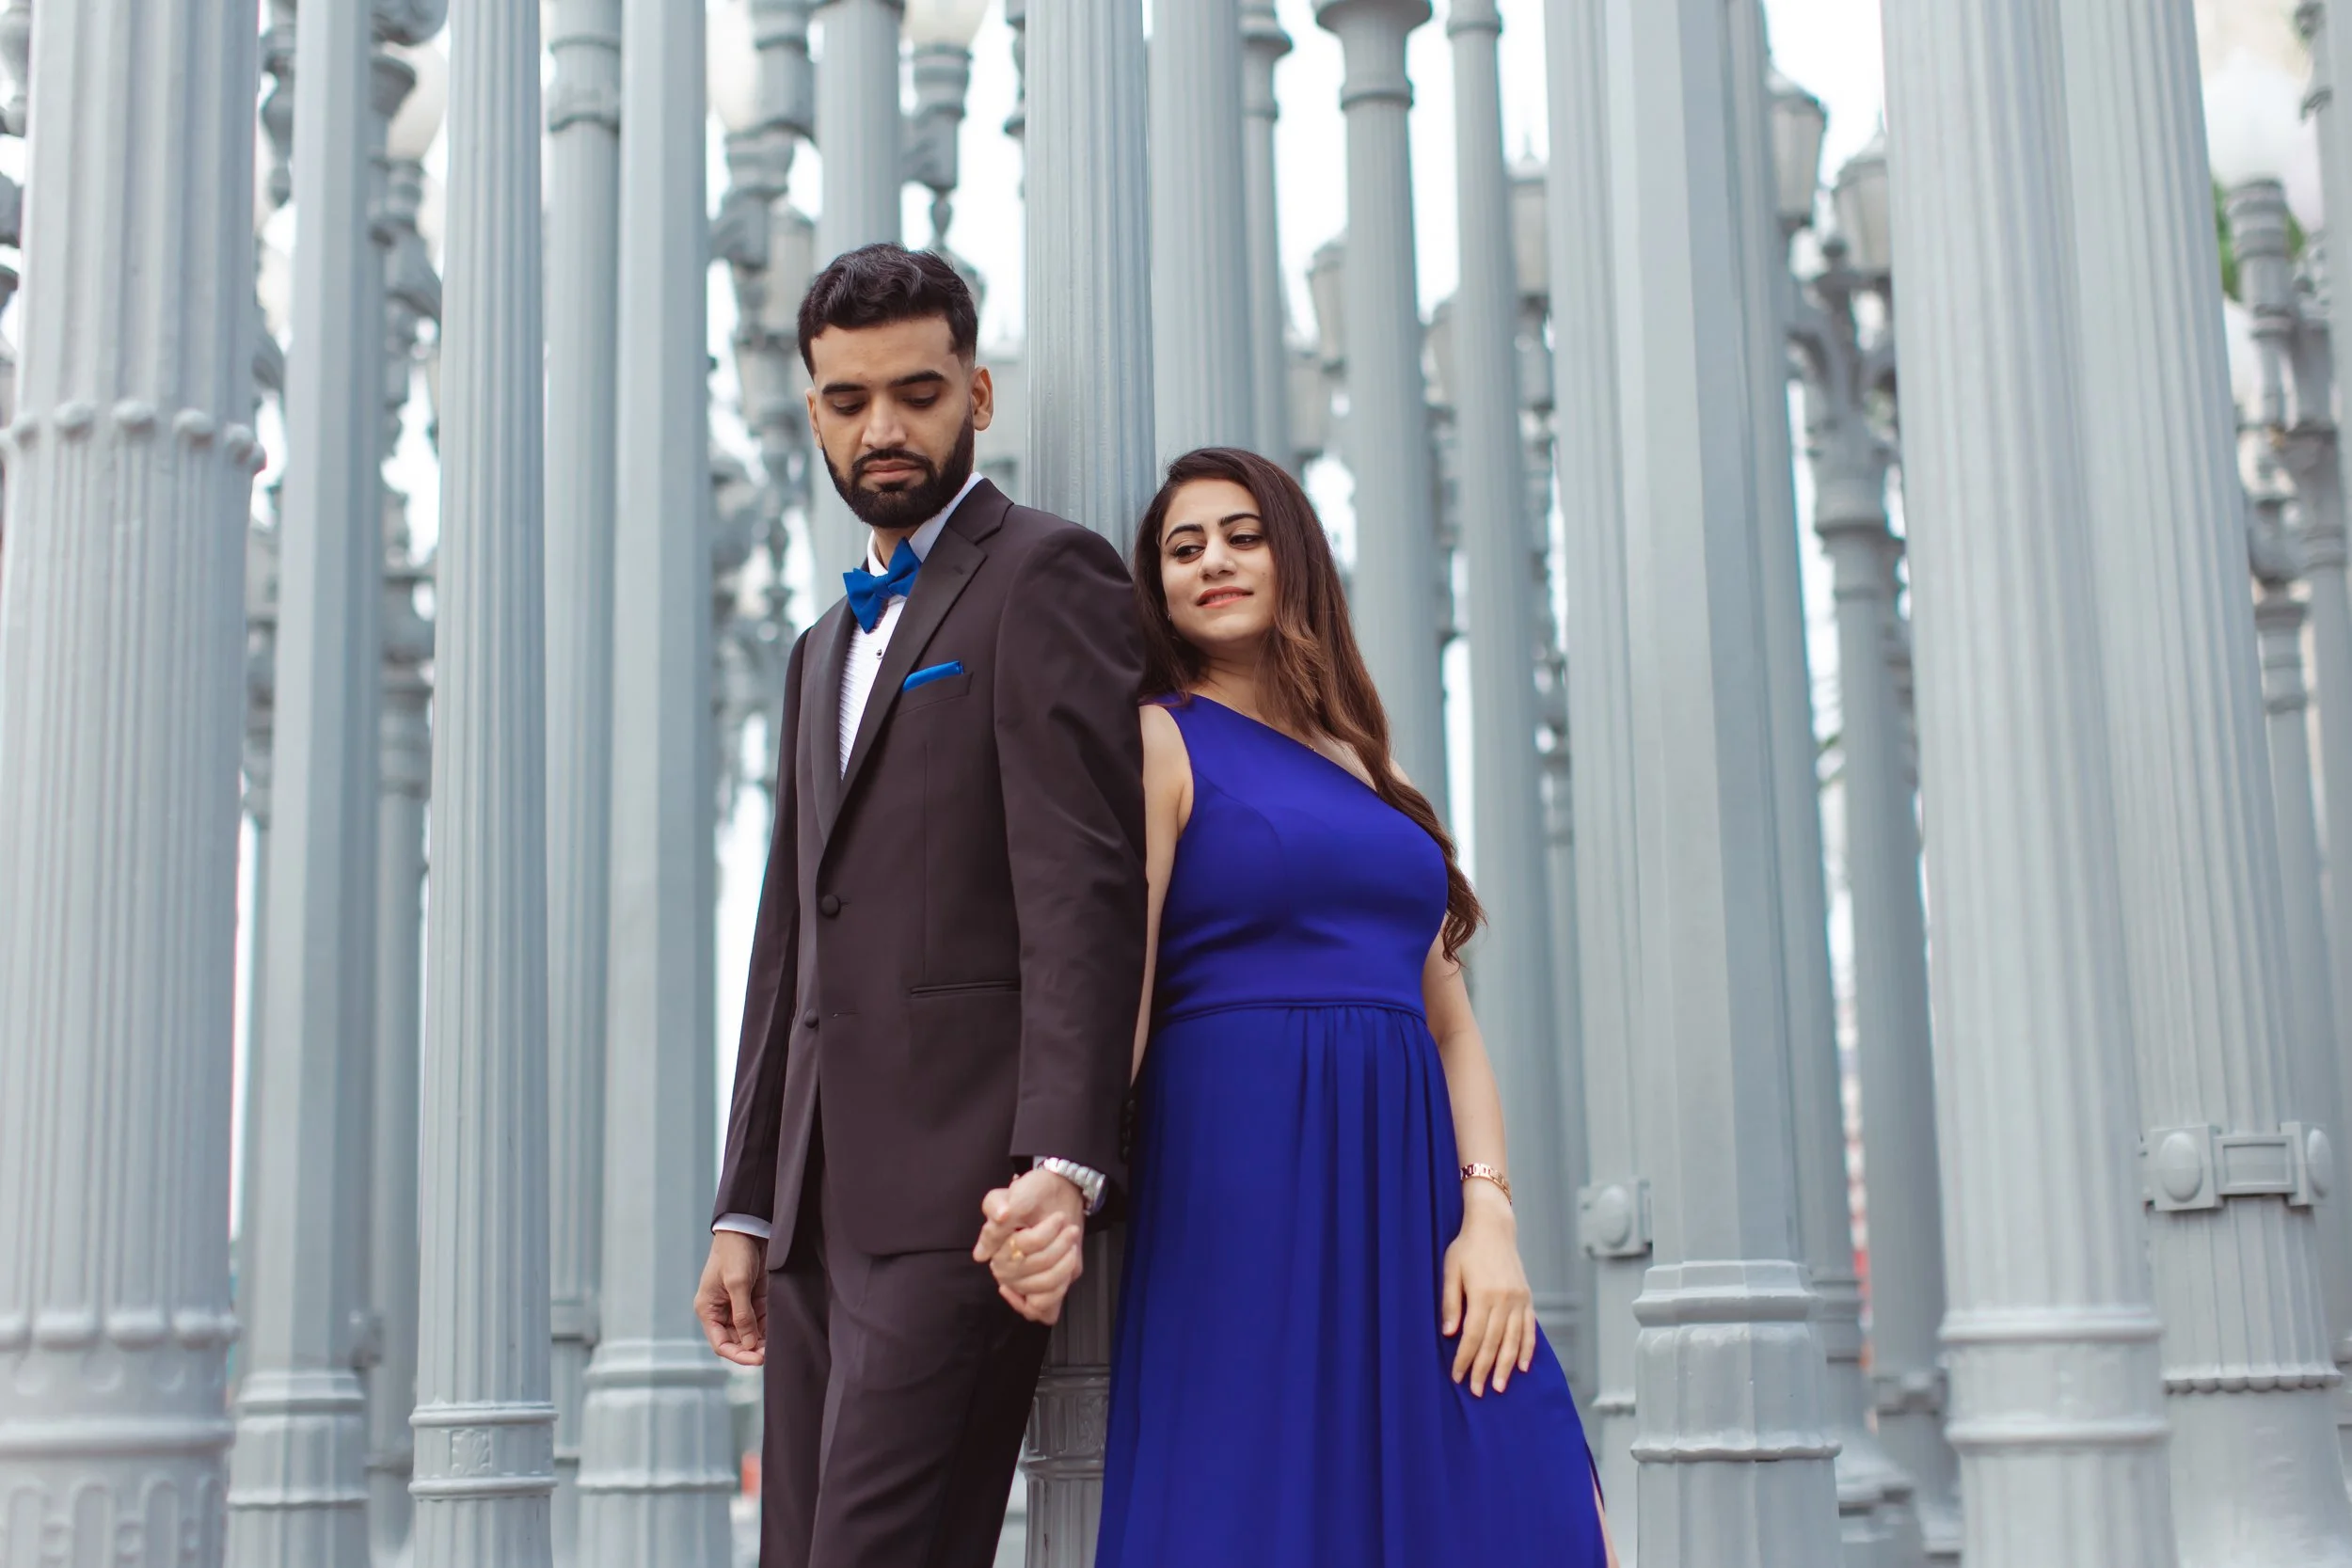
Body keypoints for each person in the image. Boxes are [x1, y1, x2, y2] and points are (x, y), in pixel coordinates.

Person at [986, 447, 1615, 1565]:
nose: (1213, 562)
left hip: (1413, 1188)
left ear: (1294, 558)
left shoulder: (1364, 764)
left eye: (1241, 534)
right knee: (1261, 1501)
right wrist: (1061, 1167)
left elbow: (1452, 1021)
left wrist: (1490, 1216)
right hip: (1243, 1179)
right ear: (1159, 586)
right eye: (1183, 549)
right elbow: (1114, 986)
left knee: (1531, 1486)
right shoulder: (1161, 738)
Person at [692, 244, 1147, 1568]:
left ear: (978, 395)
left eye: (917, 390)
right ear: (813, 411)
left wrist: (1059, 1164)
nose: (882, 427)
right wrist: (747, 1202)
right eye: (848, 400)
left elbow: (1084, 887)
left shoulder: (1046, 577)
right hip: (816, 1202)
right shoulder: (817, 651)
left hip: (966, 1198)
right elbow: (792, 933)